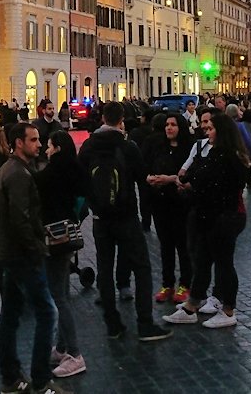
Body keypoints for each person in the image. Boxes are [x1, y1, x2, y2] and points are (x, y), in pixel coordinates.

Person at [78, 102, 171, 342]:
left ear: (102, 120)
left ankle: (112, 324)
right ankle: (145, 323)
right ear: (121, 120)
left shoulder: (89, 146)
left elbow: (80, 179)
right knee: (141, 268)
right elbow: (142, 178)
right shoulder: (128, 147)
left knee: (105, 270)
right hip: (126, 215)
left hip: (100, 220)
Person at [163, 110, 249, 329]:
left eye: (211, 129)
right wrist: (187, 180)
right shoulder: (216, 153)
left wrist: (190, 182)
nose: (207, 132)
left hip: (226, 216)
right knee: (201, 261)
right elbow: (199, 173)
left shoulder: (229, 156)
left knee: (224, 263)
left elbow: (210, 179)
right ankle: (192, 307)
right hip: (208, 215)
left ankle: (229, 310)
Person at [0, 123, 58, 393]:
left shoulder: (7, 170)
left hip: (9, 253)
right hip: (23, 256)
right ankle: (41, 380)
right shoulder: (18, 174)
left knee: (10, 314)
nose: (39, 144)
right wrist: (36, 248)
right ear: (18, 143)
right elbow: (21, 219)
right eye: (33, 140)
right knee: (47, 312)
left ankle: (11, 377)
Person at [36, 124, 89, 377]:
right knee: (63, 291)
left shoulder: (51, 173)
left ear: (56, 148)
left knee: (59, 297)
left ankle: (76, 354)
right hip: (69, 234)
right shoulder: (75, 168)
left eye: (48, 146)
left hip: (54, 238)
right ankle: (61, 346)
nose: (45, 150)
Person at [143, 113, 193, 306]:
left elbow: (190, 173)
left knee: (182, 244)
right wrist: (150, 178)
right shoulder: (158, 147)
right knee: (165, 245)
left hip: (181, 203)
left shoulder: (188, 149)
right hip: (160, 202)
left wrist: (170, 179)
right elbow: (146, 167)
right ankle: (167, 283)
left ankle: (185, 283)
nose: (169, 128)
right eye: (167, 125)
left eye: (173, 125)